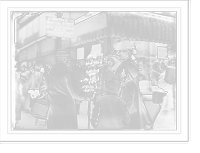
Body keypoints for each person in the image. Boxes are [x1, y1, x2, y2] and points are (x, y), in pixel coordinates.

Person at [39, 48, 94, 130]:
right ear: (66, 59)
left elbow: (42, 90)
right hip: (66, 109)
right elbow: (76, 92)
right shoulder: (69, 72)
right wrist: (89, 95)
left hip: (52, 109)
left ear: (57, 59)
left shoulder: (47, 72)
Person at [113, 35, 152, 129]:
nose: (118, 54)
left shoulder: (126, 65)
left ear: (126, 52)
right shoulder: (128, 62)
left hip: (127, 98)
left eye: (120, 52)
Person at [153, 43, 176, 130]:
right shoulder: (169, 68)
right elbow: (161, 81)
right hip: (170, 103)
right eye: (172, 58)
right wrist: (170, 85)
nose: (173, 60)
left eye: (174, 57)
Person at [119, 64, 141, 129]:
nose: (121, 73)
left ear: (127, 74)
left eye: (123, 71)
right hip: (132, 121)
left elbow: (126, 106)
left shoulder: (128, 87)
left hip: (129, 124)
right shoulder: (130, 85)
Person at [12, 61, 23, 129]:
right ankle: (13, 121)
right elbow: (18, 84)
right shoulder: (15, 74)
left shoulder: (16, 74)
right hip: (16, 93)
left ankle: (14, 121)